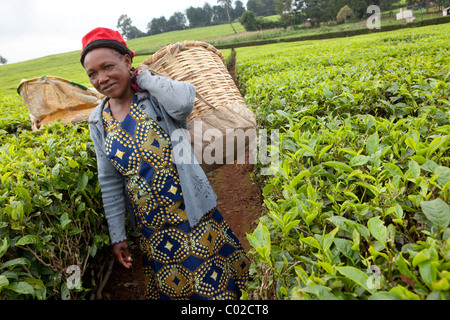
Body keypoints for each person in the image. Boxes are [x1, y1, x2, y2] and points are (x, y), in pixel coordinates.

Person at [81, 27, 250, 300]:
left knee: (214, 287)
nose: (101, 78)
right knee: (176, 289)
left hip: (192, 213)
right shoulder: (98, 121)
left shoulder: (153, 99)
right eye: (92, 74)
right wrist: (117, 236)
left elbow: (184, 101)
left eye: (108, 66)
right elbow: (110, 180)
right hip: (152, 227)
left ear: (127, 61)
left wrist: (145, 77)